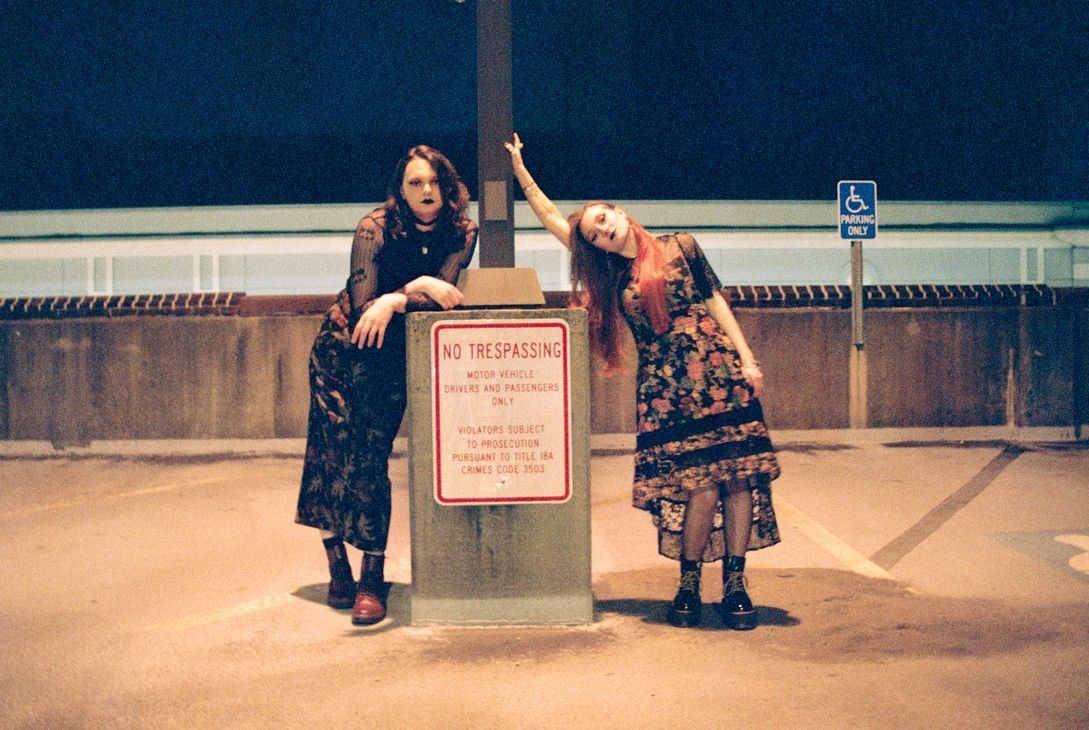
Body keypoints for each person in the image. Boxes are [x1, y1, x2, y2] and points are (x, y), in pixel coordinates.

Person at [505, 134, 780, 629]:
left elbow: (716, 302)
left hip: (720, 372)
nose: (603, 232)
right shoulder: (611, 274)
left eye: (603, 220)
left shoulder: (682, 246)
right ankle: (689, 584)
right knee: (699, 485)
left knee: (738, 479)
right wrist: (522, 173)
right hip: (667, 389)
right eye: (593, 234)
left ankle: (736, 584)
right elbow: (551, 218)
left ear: (617, 210)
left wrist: (749, 359)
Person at [296, 146, 478, 625]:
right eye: (415, 183)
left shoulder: (462, 231)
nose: (426, 191)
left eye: (433, 182)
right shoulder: (372, 228)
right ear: (400, 188)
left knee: (372, 460)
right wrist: (411, 291)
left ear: (448, 185)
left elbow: (442, 298)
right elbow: (361, 306)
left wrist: (395, 299)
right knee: (331, 453)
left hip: (392, 357)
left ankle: (372, 578)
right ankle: (338, 565)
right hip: (340, 351)